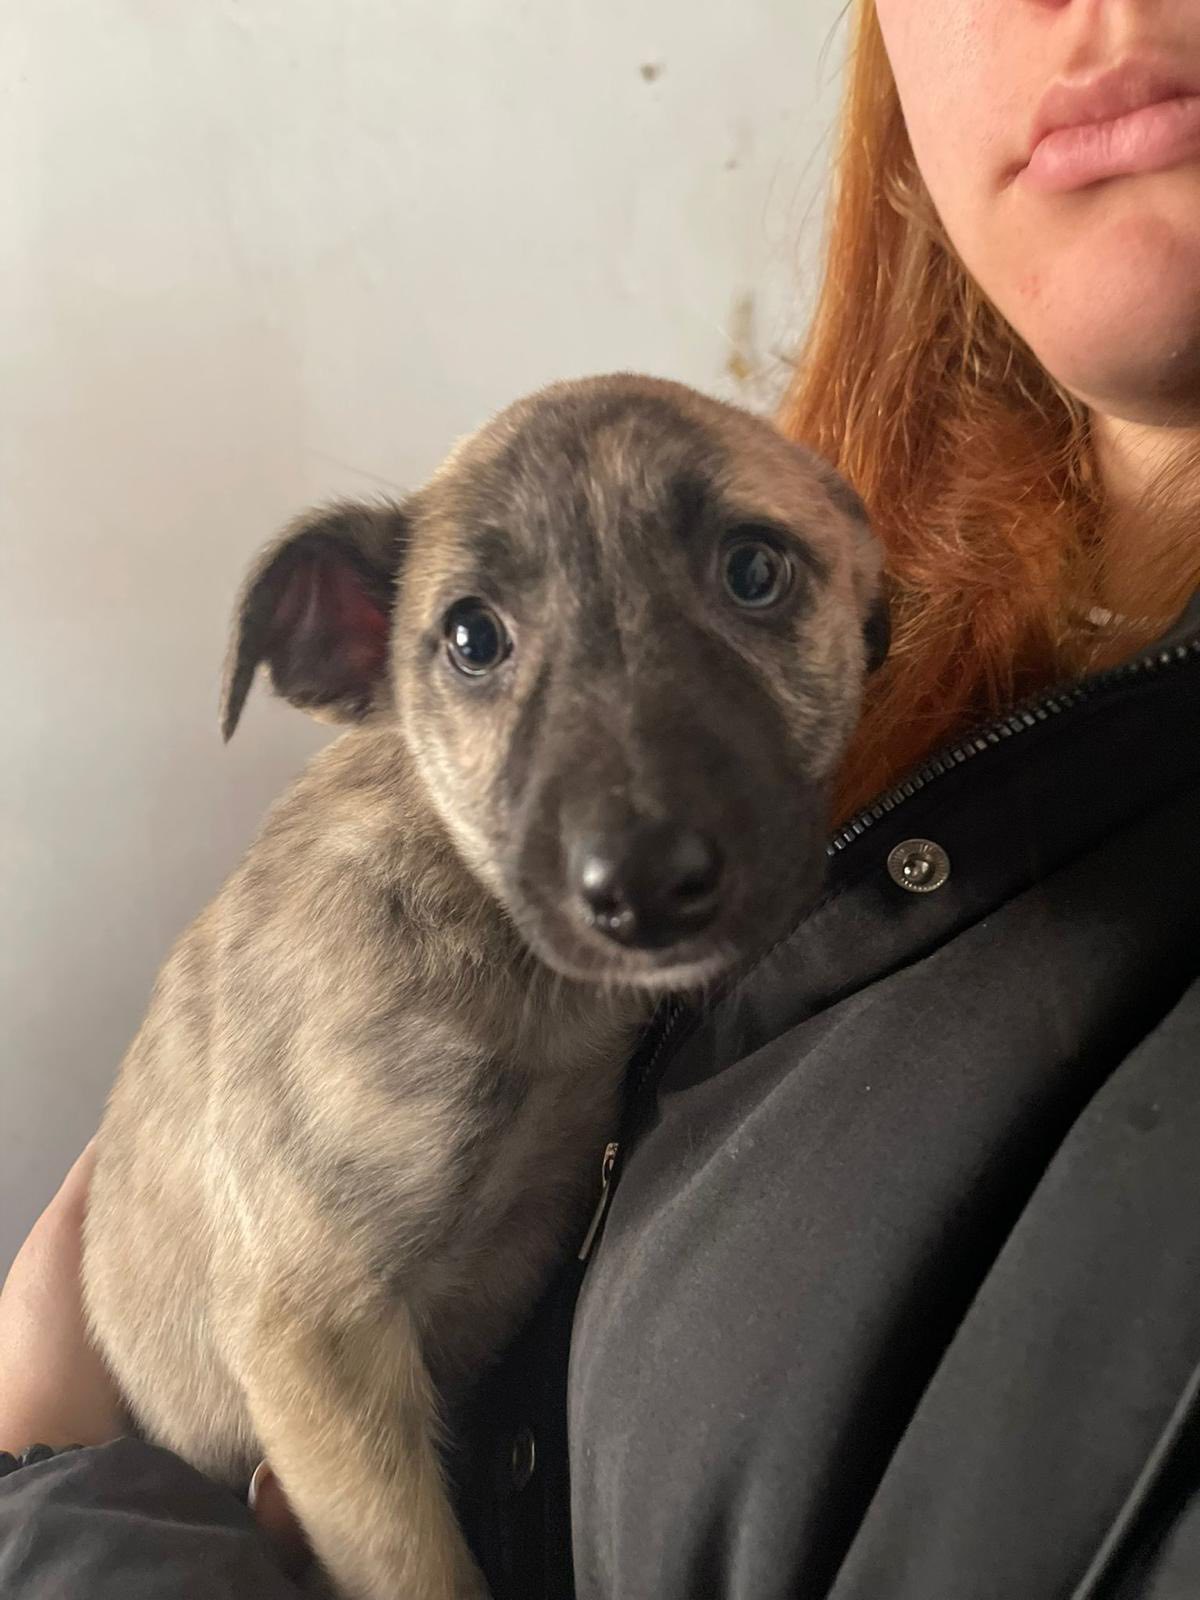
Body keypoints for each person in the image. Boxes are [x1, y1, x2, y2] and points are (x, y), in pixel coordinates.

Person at [4, 0, 1199, 1594]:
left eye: (750, 577)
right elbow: (314, 1325)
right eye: (478, 641)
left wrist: (43, 1483)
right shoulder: (945, 625)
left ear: (856, 585)